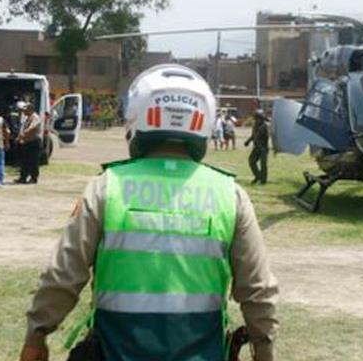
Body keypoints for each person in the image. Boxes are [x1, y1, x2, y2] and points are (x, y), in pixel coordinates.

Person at [19, 64, 279, 361]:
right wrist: (264, 349)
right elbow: (258, 289)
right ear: (202, 121)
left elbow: (64, 274)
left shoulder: (106, 187)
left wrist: (36, 335)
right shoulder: (229, 194)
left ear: (137, 117)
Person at [16, 103, 42, 184]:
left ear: (31, 110)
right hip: (27, 142)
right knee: (25, 161)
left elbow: (33, 127)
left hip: (33, 142)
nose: (24, 112)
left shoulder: (35, 117)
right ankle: (23, 177)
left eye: (25, 110)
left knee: (33, 161)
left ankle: (34, 178)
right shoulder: (27, 118)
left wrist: (24, 133)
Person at [245, 109, 270, 185]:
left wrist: (260, 135)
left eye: (259, 118)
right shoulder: (255, 125)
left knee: (263, 165)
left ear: (262, 118)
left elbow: (266, 137)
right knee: (251, 161)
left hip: (263, 148)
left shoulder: (265, 126)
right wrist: (248, 141)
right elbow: (253, 135)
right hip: (256, 147)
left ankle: (263, 181)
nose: (257, 120)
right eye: (256, 118)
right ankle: (258, 176)